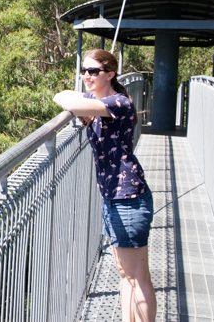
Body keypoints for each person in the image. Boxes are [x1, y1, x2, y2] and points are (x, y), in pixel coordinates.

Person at [53, 49, 156, 322]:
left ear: (110, 74)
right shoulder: (98, 100)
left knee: (137, 277)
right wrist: (79, 102)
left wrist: (78, 105)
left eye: (93, 71)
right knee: (126, 274)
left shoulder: (117, 103)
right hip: (113, 197)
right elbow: (62, 95)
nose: (86, 76)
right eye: (83, 71)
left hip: (128, 197)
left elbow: (66, 100)